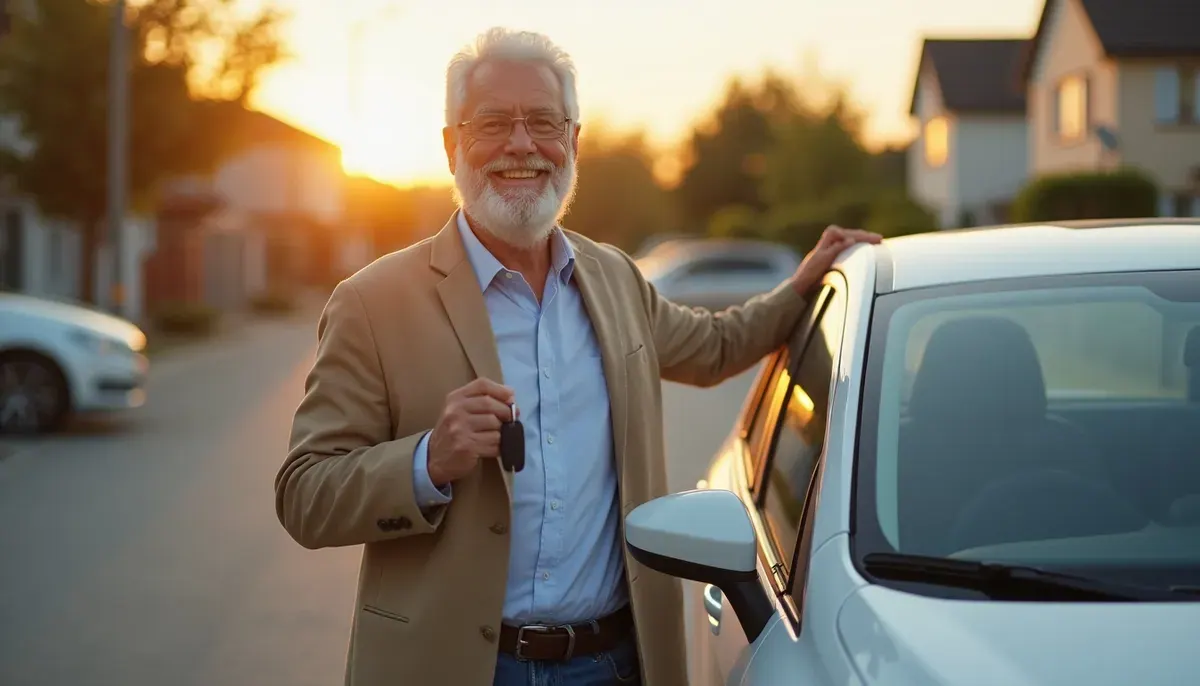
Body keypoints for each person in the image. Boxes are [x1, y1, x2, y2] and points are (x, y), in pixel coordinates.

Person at [275, 26, 882, 686]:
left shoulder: (614, 277)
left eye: (543, 122)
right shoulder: (372, 302)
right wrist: (428, 460)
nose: (521, 144)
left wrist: (802, 286)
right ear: (451, 146)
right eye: (493, 123)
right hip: (455, 667)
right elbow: (305, 493)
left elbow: (715, 347)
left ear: (573, 141)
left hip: (615, 663)